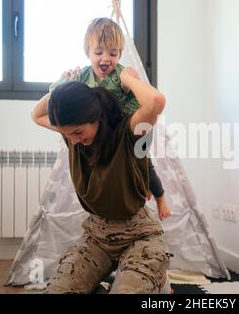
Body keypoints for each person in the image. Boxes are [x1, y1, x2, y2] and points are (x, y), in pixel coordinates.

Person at [31, 69, 169, 293]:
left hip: (138, 235)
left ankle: (155, 281)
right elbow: (36, 115)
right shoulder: (74, 137)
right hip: (96, 236)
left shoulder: (129, 132)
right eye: (67, 135)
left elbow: (155, 101)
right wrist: (67, 85)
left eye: (77, 132)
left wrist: (125, 77)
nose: (73, 142)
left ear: (96, 117)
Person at [38, 17, 170, 220]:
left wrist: (129, 81)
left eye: (113, 53)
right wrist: (65, 81)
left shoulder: (120, 75)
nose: (106, 59)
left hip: (129, 129)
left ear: (119, 54)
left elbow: (154, 101)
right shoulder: (83, 76)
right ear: (88, 53)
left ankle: (158, 195)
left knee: (144, 163)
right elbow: (57, 99)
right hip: (105, 133)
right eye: (99, 52)